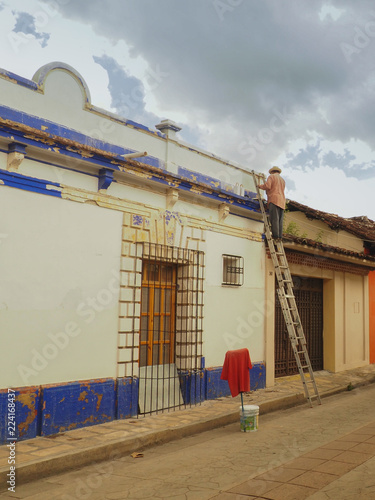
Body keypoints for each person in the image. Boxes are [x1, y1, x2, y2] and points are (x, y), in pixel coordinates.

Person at [258, 166, 286, 241]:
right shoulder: (282, 180)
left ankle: (276, 236)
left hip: (274, 199)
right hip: (282, 201)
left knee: (274, 218)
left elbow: (268, 186)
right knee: (280, 220)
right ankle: (279, 236)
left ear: (272, 172)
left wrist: (260, 186)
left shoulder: (271, 176)